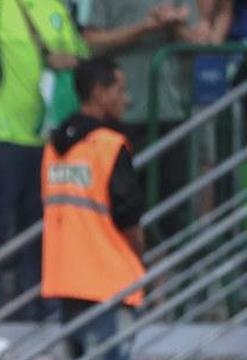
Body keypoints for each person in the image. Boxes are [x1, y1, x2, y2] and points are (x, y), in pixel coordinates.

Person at [40, 57, 145, 360]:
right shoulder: (109, 145)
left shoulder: (54, 147)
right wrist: (143, 260)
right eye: (119, 89)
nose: (125, 98)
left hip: (65, 282)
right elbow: (129, 216)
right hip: (108, 284)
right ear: (99, 93)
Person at [0, 0, 88, 321]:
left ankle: (34, 309)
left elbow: (82, 57)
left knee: (39, 231)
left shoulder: (56, 8)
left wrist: (71, 60)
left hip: (47, 139)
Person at [80, 0, 209, 237]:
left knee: (173, 209)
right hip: (123, 117)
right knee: (124, 207)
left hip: (172, 112)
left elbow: (200, 42)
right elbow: (91, 42)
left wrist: (175, 25)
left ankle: (169, 259)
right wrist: (144, 28)